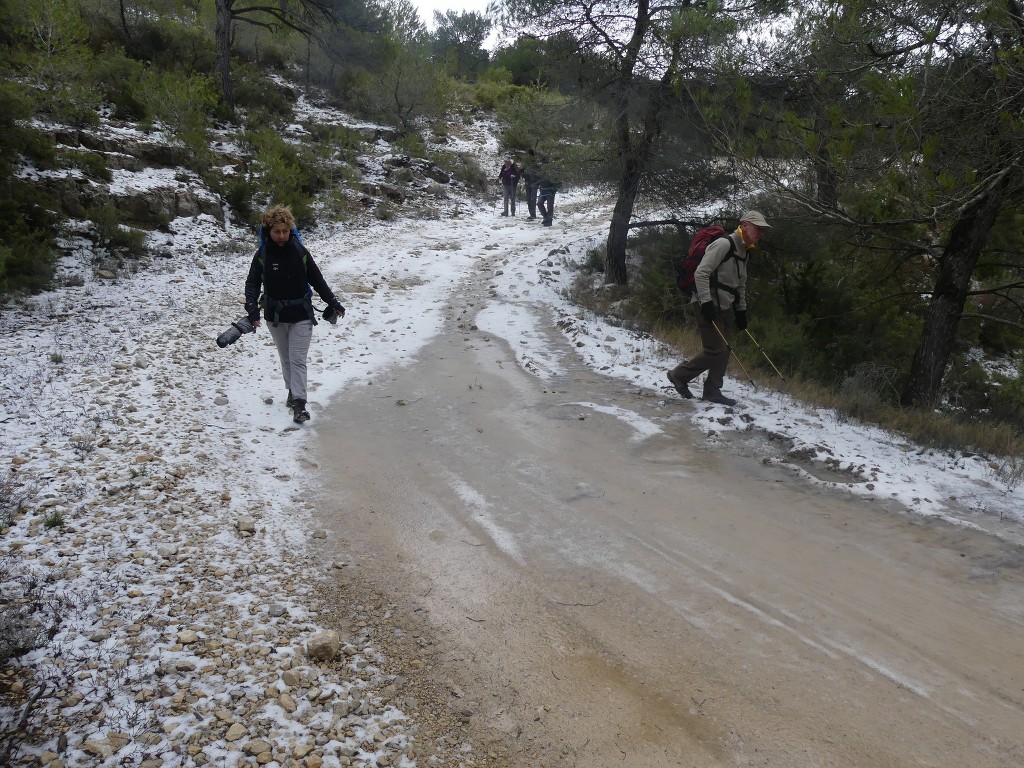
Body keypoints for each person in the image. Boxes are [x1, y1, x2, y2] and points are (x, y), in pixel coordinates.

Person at [244, 204, 346, 424]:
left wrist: (333, 302)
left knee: (297, 359)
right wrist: (252, 309)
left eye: (285, 231)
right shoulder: (262, 255)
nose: (282, 236)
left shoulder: (300, 252)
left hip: (301, 313)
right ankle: (292, 391)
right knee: (286, 359)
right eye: (277, 231)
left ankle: (299, 404)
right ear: (268, 232)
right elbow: (252, 284)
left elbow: (317, 280)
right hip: (275, 316)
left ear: (291, 230)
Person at [666, 210, 770, 406]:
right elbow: (701, 273)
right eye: (758, 228)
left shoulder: (744, 251)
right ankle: (679, 375)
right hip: (706, 303)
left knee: (725, 349)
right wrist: (705, 303)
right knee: (716, 349)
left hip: (725, 306)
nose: (760, 233)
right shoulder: (724, 244)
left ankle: (713, 391)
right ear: (745, 225)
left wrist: (741, 310)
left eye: (762, 230)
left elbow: (741, 284)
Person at [522, 149, 540, 220]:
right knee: (529, 199)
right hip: (527, 182)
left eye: (529, 155)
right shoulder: (526, 163)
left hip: (534, 183)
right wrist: (522, 174)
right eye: (528, 155)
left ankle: (533, 214)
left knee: (533, 199)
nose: (528, 156)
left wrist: (538, 182)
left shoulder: (536, 163)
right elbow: (523, 171)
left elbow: (539, 173)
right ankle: (531, 214)